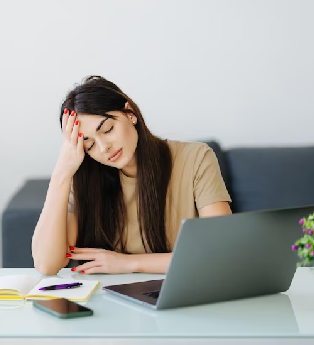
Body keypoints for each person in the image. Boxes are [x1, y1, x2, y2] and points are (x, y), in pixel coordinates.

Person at [32, 76, 232, 276]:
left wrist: (129, 263)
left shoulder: (196, 158)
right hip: (108, 297)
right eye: (89, 145)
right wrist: (61, 173)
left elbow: (220, 253)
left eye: (108, 129)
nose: (104, 147)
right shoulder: (85, 179)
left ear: (130, 113)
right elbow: (46, 265)